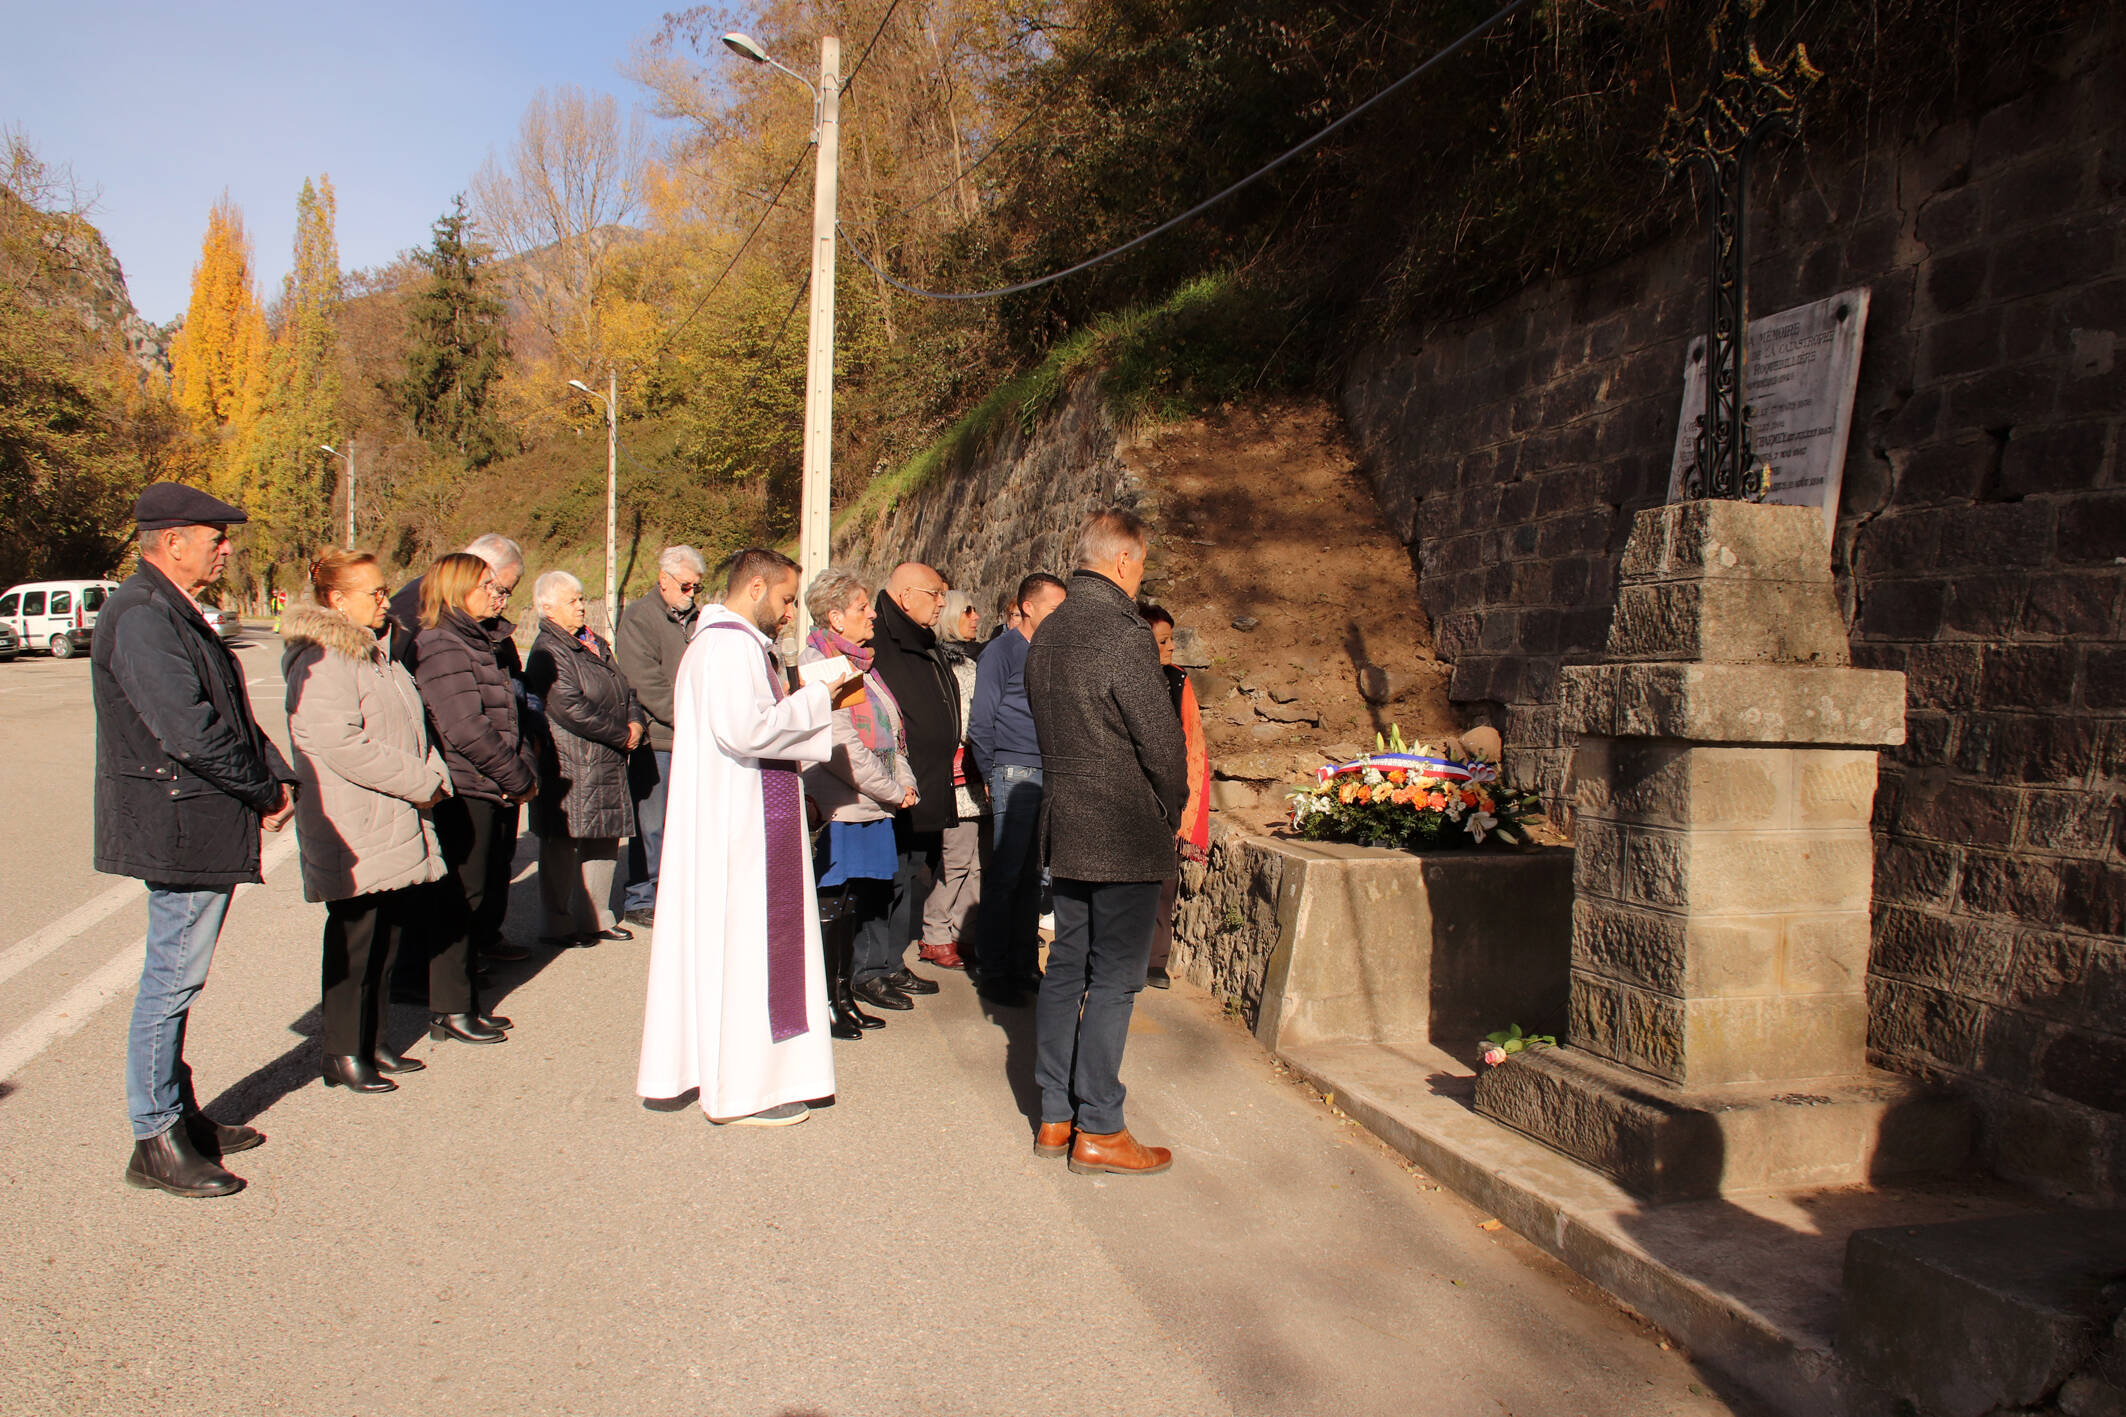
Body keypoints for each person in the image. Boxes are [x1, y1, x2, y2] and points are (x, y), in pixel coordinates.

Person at [92, 483, 296, 1198]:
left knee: (179, 976)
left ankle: (179, 1116)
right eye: (216, 536)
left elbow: (228, 711)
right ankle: (155, 1136)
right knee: (170, 980)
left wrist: (275, 774)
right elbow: (189, 729)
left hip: (197, 817)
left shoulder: (169, 609)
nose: (227, 546)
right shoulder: (143, 615)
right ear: (171, 541)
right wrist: (263, 789)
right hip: (178, 824)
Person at [636, 548, 861, 1126]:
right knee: (748, 947)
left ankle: (705, 1068)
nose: (791, 614)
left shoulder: (714, 644)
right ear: (755, 587)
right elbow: (747, 730)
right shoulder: (730, 646)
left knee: (721, 946)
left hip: (728, 815)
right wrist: (819, 700)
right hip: (741, 827)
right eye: (787, 599)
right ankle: (745, 1088)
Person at [1024, 510, 1187, 1176]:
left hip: (1067, 823)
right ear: (1124, 561)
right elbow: (1162, 744)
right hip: (1122, 829)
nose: (1140, 575)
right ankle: (1100, 1125)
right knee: (1116, 979)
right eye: (1142, 564)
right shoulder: (1123, 636)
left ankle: (1055, 1113)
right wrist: (1167, 806)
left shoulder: (1049, 631)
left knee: (1066, 965)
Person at [282, 550, 452, 1094]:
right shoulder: (324, 658)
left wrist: (432, 767)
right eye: (374, 593)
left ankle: (373, 1040)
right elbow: (339, 743)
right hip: (354, 822)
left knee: (386, 939)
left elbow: (412, 725)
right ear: (336, 600)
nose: (385, 600)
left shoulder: (377, 653)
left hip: (390, 814)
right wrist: (421, 779)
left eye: (383, 591)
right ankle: (341, 1053)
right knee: (355, 943)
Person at [413, 553, 537, 1045]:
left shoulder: (475, 639)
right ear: (456, 589)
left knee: (475, 893)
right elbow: (464, 727)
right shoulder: (442, 644)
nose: (496, 594)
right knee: (459, 900)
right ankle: (450, 1008)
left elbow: (508, 710)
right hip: (467, 787)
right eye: (486, 586)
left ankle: (464, 1003)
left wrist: (519, 767)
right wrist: (515, 773)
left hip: (490, 782)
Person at [796, 567, 914, 1038]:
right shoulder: (819, 665)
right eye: (863, 607)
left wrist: (903, 782)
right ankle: (826, 1003)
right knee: (834, 903)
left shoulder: (860, 663)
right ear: (835, 616)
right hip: (841, 804)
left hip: (868, 801)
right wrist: (891, 789)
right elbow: (840, 747)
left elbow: (892, 729)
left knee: (851, 904)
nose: (872, 614)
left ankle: (843, 997)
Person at [854, 563, 958, 1011]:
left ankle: (890, 961)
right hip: (890, 786)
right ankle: (868, 968)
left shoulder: (922, 639)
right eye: (935, 594)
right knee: (885, 878)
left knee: (909, 874)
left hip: (925, 783)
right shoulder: (879, 641)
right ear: (905, 595)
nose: (942, 603)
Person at [525, 570, 647, 948]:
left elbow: (625, 688)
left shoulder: (594, 643)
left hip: (606, 757)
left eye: (581, 598)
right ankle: (558, 925)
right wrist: (621, 733)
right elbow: (567, 706)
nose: (582, 606)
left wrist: (636, 721)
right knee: (562, 844)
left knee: (603, 840)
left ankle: (597, 917)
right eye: (573, 600)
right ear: (547, 608)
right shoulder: (547, 649)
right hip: (570, 762)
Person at [966, 572, 1068, 1007]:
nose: (1061, 618)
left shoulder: (1054, 652)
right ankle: (994, 970)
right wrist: (992, 773)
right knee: (1006, 876)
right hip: (1014, 771)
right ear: (1027, 607)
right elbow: (980, 722)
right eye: (1053, 609)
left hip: (1049, 773)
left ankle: (1025, 962)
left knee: (1033, 877)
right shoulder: (1001, 652)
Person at [614, 546, 705, 927]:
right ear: (664, 580)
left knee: (689, 823)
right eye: (686, 585)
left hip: (696, 736)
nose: (691, 593)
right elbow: (644, 683)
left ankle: (675, 893)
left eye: (697, 587)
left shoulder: (701, 618)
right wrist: (690, 717)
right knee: (651, 824)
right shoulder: (639, 618)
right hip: (661, 740)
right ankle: (641, 897)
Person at [1138, 603, 1212, 990]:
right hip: (1130, 795)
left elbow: (1190, 742)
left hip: (1168, 796)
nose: (1171, 648)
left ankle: (1155, 959)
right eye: (1163, 641)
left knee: (1165, 884)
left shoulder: (1178, 682)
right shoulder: (1126, 680)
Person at [918, 590, 987, 972]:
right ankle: (936, 933)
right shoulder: (942, 667)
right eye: (967, 611)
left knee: (974, 862)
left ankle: (962, 932)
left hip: (975, 779)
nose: (975, 617)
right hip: (958, 779)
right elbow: (961, 722)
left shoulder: (969, 664)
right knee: (957, 860)